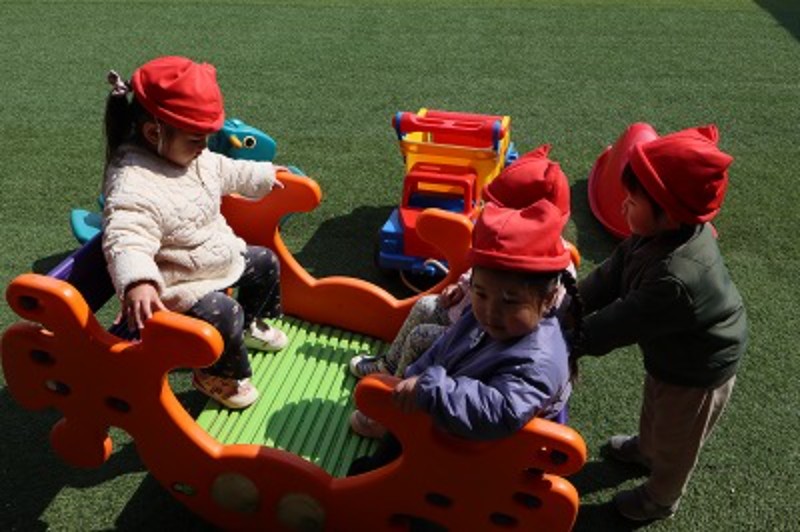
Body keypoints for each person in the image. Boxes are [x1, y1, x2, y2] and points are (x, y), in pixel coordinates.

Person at [574, 125, 748, 521]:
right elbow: (611, 275)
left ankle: (661, 497)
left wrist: (570, 338)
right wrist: (571, 303)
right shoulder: (650, 234)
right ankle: (646, 449)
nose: (623, 207)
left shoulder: (677, 278)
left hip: (700, 368)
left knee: (677, 440)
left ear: (668, 214)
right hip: (671, 353)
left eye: (632, 201)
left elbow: (620, 323)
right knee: (656, 403)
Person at [101, 56, 289, 410]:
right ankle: (215, 374)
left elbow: (225, 170)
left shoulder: (190, 155)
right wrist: (139, 281)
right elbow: (126, 235)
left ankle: (248, 326)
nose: (203, 147)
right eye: (196, 139)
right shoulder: (133, 183)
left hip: (213, 257)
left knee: (265, 262)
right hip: (178, 284)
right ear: (154, 133)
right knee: (225, 312)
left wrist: (264, 174)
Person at [347, 198, 582, 472]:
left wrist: (431, 387)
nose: (491, 311)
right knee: (397, 439)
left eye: (510, 301)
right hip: (450, 410)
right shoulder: (487, 318)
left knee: (399, 455)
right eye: (480, 293)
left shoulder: (538, 360)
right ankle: (381, 464)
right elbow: (445, 346)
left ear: (548, 299)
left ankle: (383, 481)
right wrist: (417, 374)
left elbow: (499, 411)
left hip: (488, 452)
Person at [349, 144, 574, 382]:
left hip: (487, 338)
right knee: (424, 305)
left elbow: (541, 323)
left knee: (419, 337)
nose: (491, 214)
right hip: (470, 314)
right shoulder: (505, 242)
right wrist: (463, 285)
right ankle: (389, 365)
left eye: (499, 209)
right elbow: (480, 271)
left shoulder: (550, 271)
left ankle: (395, 387)